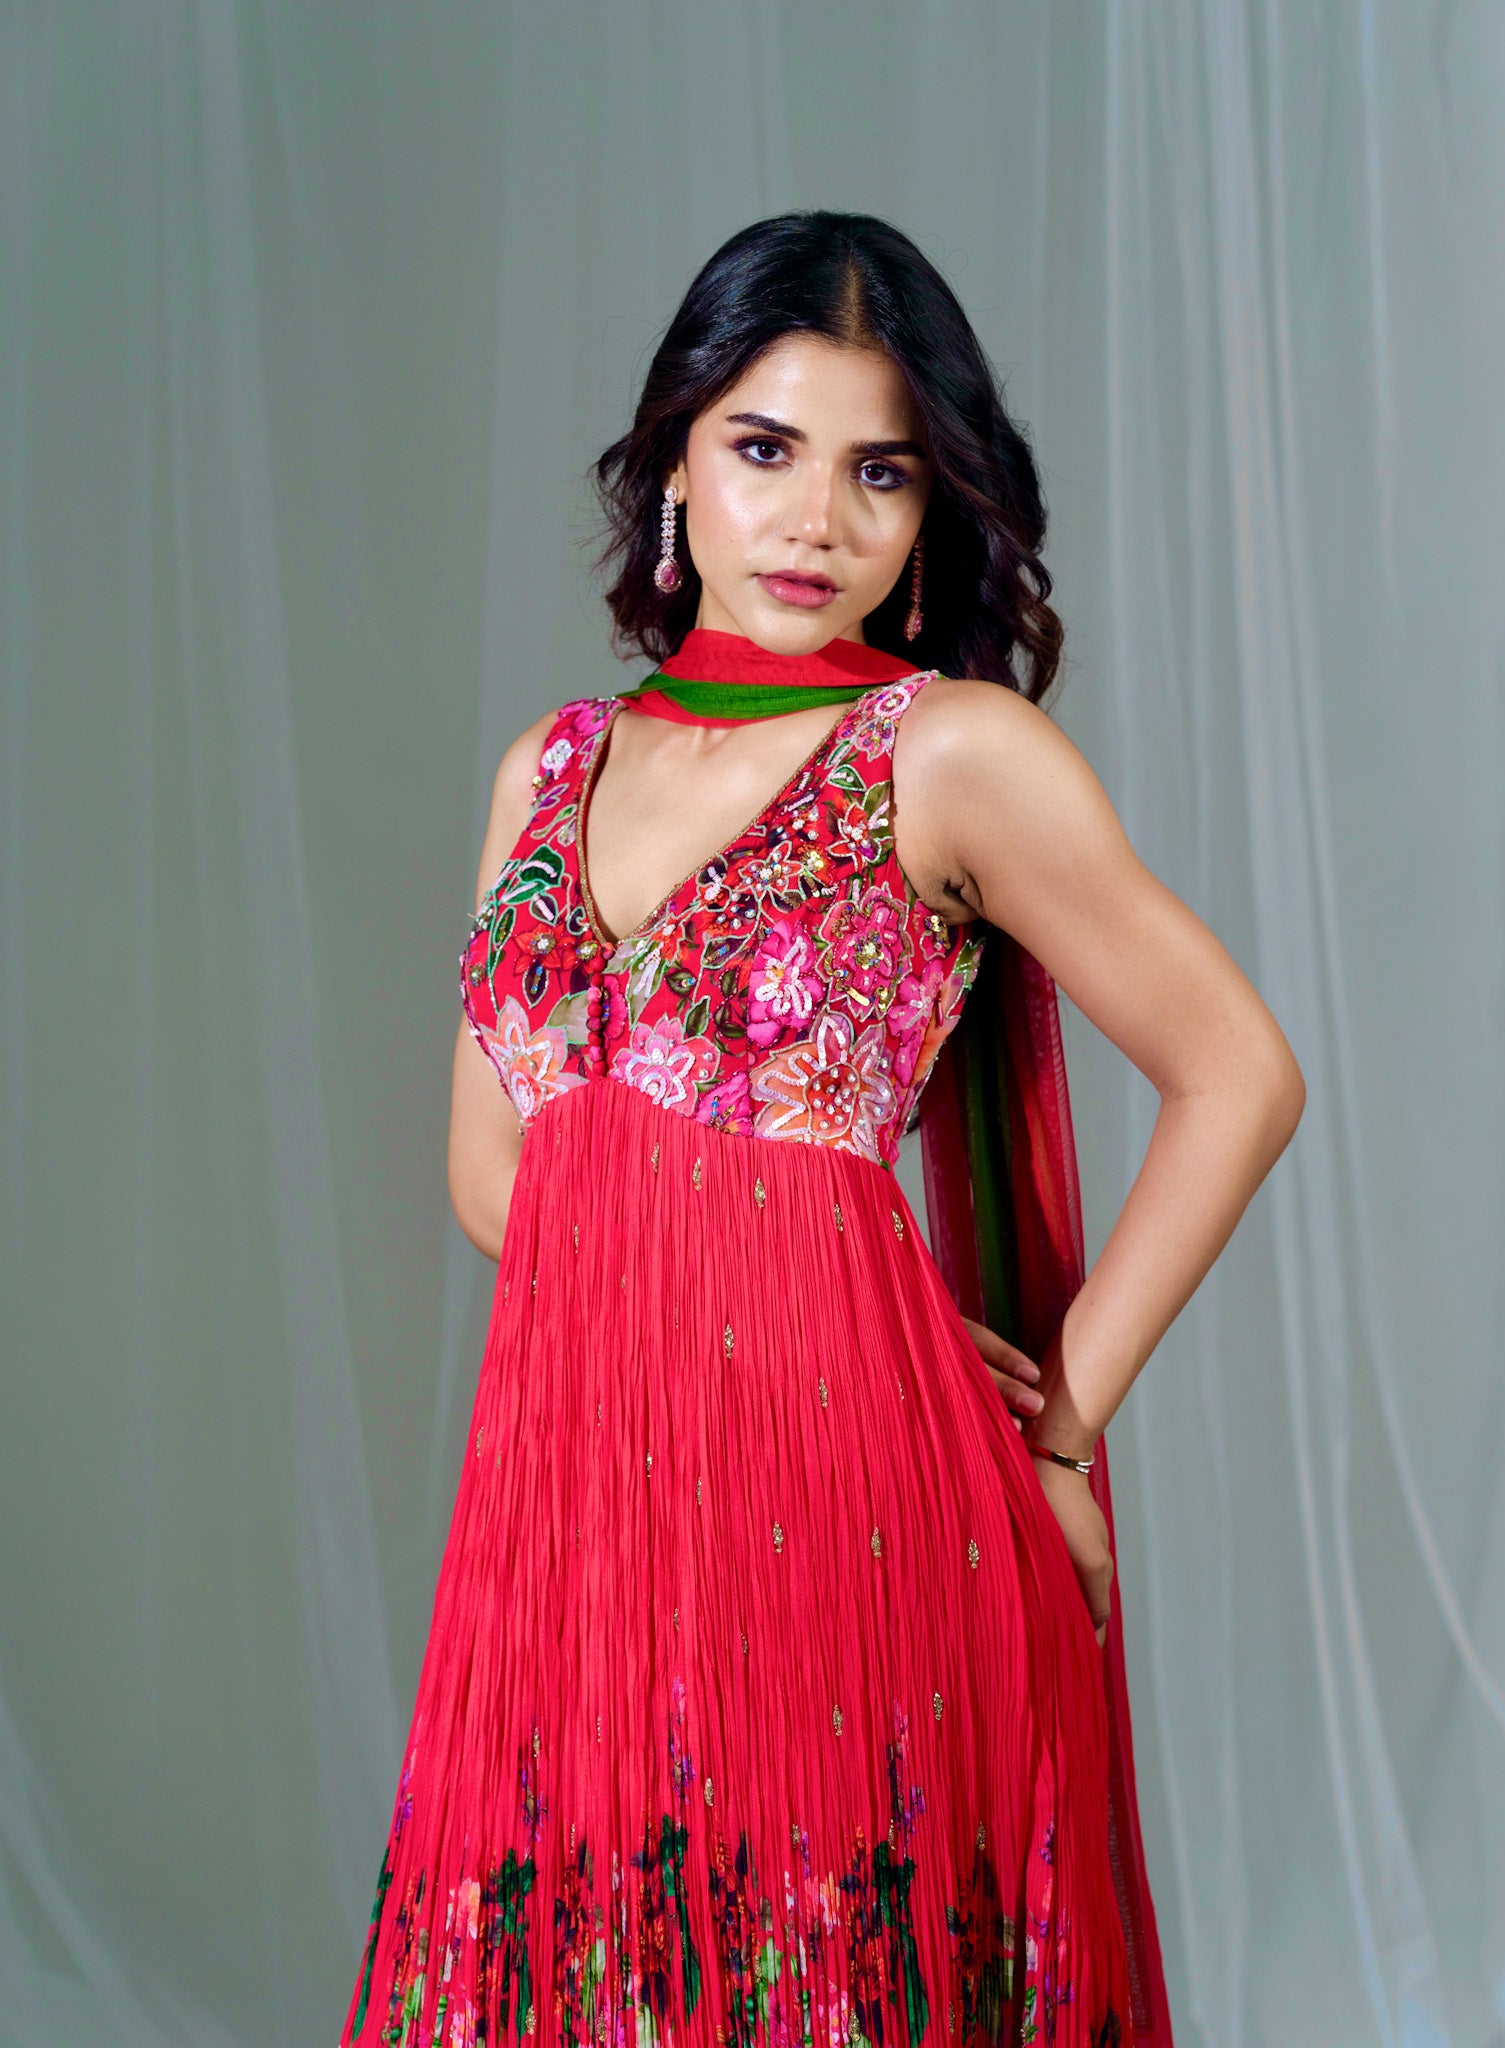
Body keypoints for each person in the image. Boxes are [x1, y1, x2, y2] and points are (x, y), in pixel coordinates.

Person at [340, 210, 1303, 2048]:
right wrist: (718, 1284)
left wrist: (1056, 1420)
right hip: (586, 1515)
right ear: (675, 461)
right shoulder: (548, 771)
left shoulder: (943, 755)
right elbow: (488, 1170)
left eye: (883, 473)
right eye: (764, 451)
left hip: (857, 1525)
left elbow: (1237, 1074)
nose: (818, 523)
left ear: (935, 507)